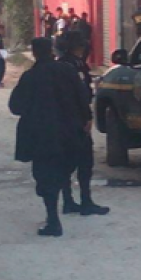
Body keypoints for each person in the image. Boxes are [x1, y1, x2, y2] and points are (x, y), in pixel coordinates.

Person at [9, 38, 91, 237]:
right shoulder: (68, 71)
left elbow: (15, 106)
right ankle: (69, 202)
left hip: (41, 135)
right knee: (64, 169)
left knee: (46, 177)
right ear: (52, 51)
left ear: (35, 53)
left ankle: (53, 220)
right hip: (70, 131)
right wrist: (86, 118)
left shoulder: (30, 77)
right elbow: (83, 96)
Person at [58, 31, 111, 217]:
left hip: (64, 119)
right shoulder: (73, 65)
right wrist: (87, 117)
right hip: (76, 118)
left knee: (68, 162)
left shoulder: (64, 64)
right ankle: (84, 201)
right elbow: (80, 94)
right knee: (83, 161)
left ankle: (69, 201)